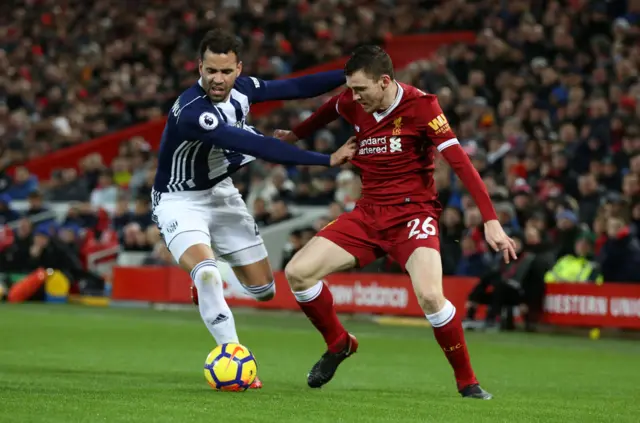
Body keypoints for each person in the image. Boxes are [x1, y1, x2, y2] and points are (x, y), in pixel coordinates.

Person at [275, 46, 516, 399]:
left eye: (360, 90)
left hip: (413, 215)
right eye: (351, 90)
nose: (353, 98)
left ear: (385, 81)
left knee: (432, 296)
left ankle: (467, 382)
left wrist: (490, 221)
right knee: (297, 272)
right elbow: (328, 110)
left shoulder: (422, 106)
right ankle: (339, 343)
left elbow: (461, 163)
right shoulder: (351, 102)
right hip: (368, 213)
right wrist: (294, 136)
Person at [152, 29, 356, 389]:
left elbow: (294, 88)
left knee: (263, 290)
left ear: (238, 69)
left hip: (222, 194)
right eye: (210, 70)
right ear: (199, 67)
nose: (218, 79)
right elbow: (260, 147)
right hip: (179, 200)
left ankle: (206, 283)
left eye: (226, 71)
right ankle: (233, 355)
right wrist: (325, 159)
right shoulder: (194, 112)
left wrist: (350, 74)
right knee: (207, 272)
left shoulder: (244, 90)